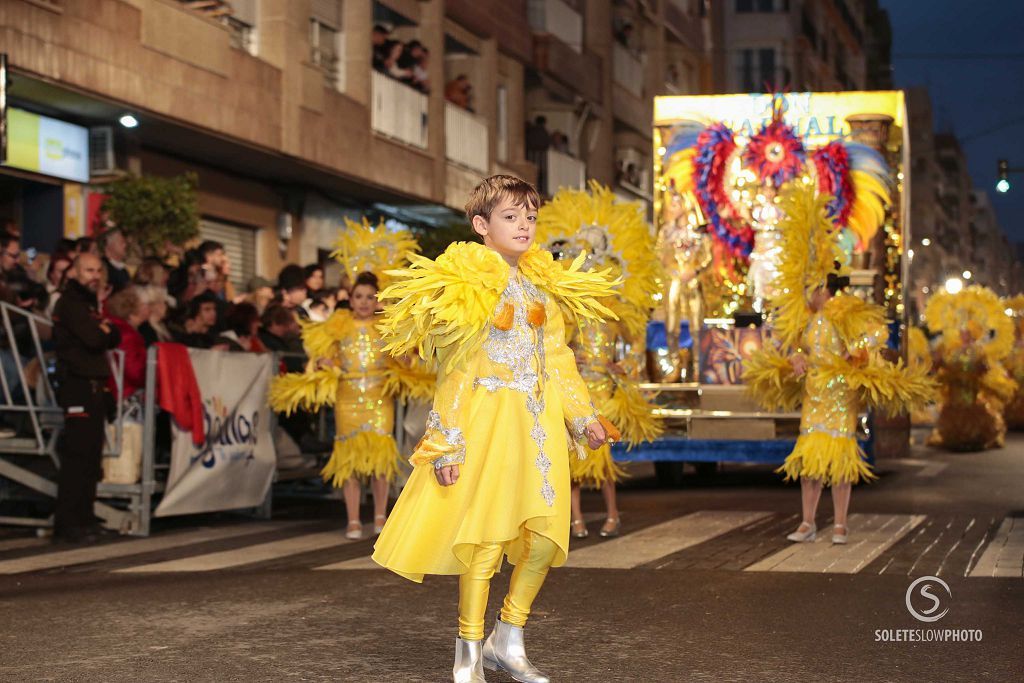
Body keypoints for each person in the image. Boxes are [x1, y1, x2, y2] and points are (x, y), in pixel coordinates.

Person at [372, 175, 616, 682]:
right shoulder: (464, 283)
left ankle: (508, 638)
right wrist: (446, 443)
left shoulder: (542, 284)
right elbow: (455, 369)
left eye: (530, 216)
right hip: (486, 422)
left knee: (547, 539)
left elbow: (557, 357)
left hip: (539, 425)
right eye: (511, 216)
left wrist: (584, 416)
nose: (524, 225)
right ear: (482, 225)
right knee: (483, 540)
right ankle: (466, 653)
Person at [744, 183, 934, 546]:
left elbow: (870, 341)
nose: (812, 294)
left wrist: (855, 357)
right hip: (814, 398)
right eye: (808, 289)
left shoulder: (843, 315)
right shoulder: (804, 323)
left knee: (841, 466)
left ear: (826, 290)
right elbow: (794, 352)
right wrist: (796, 360)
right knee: (811, 465)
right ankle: (808, 522)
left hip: (839, 398)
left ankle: (841, 523)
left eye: (815, 288)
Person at [534, 184, 663, 540]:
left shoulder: (614, 319)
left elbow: (636, 351)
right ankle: (575, 519)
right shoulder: (570, 319)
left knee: (602, 461)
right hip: (577, 391)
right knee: (574, 461)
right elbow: (560, 350)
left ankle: (611, 513)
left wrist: (623, 368)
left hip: (603, 391)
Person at [271, 272, 410, 539]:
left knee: (380, 458)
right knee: (349, 460)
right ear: (351, 298)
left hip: (380, 396)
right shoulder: (337, 324)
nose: (364, 302)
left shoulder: (387, 325)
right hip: (347, 397)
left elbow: (405, 361)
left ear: (377, 299)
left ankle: (380, 516)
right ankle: (354, 519)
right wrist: (324, 364)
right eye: (359, 296)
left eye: (370, 297)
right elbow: (323, 356)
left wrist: (406, 358)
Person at [51, 253, 121, 543]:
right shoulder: (70, 304)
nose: (94, 275)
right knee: (77, 457)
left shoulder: (89, 304)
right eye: (88, 270)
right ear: (75, 273)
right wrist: (102, 331)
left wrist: (104, 330)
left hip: (94, 385)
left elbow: (112, 334)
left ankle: (85, 517)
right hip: (77, 385)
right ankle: (69, 523)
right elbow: (95, 339)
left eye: (97, 270)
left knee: (92, 457)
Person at [104, 287, 147, 400]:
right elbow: (135, 373)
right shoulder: (128, 336)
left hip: (116, 388)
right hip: (126, 391)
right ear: (131, 314)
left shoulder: (113, 328)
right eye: (141, 309)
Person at [101, 228, 131, 292]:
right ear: (109, 245)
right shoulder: (102, 268)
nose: (125, 245)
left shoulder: (123, 270)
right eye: (122, 242)